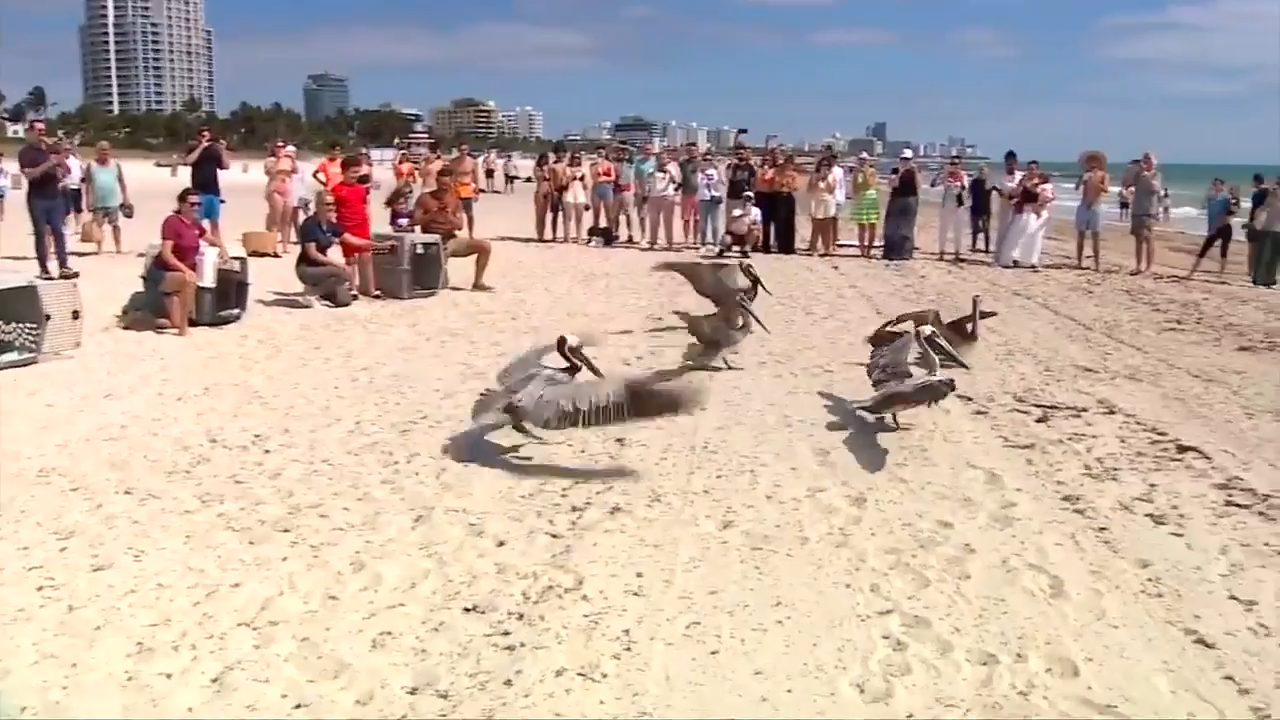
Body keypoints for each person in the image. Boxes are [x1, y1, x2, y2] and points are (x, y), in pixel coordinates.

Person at [149, 188, 228, 335]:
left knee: (173, 322)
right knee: (189, 280)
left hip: (179, 274)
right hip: (164, 272)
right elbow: (166, 254)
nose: (196, 208)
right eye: (192, 204)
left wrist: (221, 246)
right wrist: (185, 270)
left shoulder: (194, 223)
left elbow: (208, 238)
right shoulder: (172, 222)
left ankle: (150, 319)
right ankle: (183, 328)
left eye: (198, 204)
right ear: (181, 205)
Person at [412, 166, 495, 291]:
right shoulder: (425, 198)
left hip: (450, 240)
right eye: (441, 185)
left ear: (451, 182)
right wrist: (432, 215)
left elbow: (459, 226)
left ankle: (478, 282)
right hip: (431, 241)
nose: (444, 188)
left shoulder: (454, 200)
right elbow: (415, 221)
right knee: (438, 284)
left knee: (485, 246)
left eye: (447, 185)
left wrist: (449, 216)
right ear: (436, 181)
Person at [17, 120, 78, 280]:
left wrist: (61, 161)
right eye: (39, 131)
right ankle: (44, 269)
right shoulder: (26, 152)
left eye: (44, 131)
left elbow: (67, 171)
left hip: (55, 197)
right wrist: (49, 163)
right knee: (41, 233)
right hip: (37, 198)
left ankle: (64, 267)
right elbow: (30, 175)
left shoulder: (51, 150)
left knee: (59, 231)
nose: (42, 134)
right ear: (31, 132)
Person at [331, 155, 382, 298]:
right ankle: (352, 288)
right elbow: (332, 212)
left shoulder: (361, 189)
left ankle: (370, 288)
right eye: (353, 172)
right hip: (345, 228)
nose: (356, 175)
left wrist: (369, 224)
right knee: (350, 260)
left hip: (362, 226)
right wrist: (335, 232)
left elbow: (365, 208)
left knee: (366, 257)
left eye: (358, 172)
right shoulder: (336, 190)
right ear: (344, 172)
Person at [296, 190, 355, 307]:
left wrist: (378, 244)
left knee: (344, 300)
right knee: (343, 272)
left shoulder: (329, 224)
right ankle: (311, 294)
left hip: (322, 268)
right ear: (318, 206)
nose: (331, 207)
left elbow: (352, 240)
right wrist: (339, 264)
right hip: (307, 268)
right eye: (327, 204)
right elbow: (313, 254)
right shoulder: (310, 224)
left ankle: (319, 290)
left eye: (333, 204)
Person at [1003, 161, 1055, 269]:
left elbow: (1047, 195)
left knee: (1034, 237)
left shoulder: (1042, 182)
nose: (1031, 171)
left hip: (1037, 212)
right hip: (1024, 210)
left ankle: (1029, 260)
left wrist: (1030, 187)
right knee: (1018, 235)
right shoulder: (1023, 180)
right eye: (1029, 169)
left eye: (1033, 169)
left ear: (1037, 170)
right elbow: (1016, 193)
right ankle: (1014, 258)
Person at [83, 141, 130, 254]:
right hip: (98, 202)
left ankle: (118, 247)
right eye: (102, 150)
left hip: (113, 201)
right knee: (98, 226)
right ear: (97, 151)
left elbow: (122, 182)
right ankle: (99, 248)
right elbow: (88, 184)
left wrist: (125, 197)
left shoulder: (115, 164)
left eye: (106, 150)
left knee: (115, 225)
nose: (105, 152)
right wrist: (88, 200)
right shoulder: (91, 165)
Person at [1188, 179, 1240, 278]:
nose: (1215, 186)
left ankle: (1221, 274)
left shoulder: (1226, 197)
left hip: (1225, 227)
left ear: (1222, 186)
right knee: (1204, 250)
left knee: (1224, 251)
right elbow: (1203, 206)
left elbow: (1234, 210)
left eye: (1217, 184)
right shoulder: (1210, 197)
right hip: (1214, 229)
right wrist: (1207, 194)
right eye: (1214, 184)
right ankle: (1192, 272)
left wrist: (1233, 197)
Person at [185, 125, 229, 241]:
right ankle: (196, 243)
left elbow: (226, 166)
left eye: (207, 136)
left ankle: (217, 244)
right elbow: (188, 161)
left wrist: (223, 150)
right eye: (202, 136)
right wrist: (201, 147)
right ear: (198, 137)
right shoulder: (193, 149)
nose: (205, 138)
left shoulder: (215, 150)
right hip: (198, 191)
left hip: (213, 190)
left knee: (214, 222)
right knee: (197, 221)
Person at [1123, 152, 1162, 275]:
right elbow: (1126, 184)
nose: (1145, 161)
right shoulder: (1138, 174)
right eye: (1144, 158)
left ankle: (1149, 268)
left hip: (1149, 211)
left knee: (1148, 239)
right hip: (1137, 209)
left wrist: (1144, 173)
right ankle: (1138, 266)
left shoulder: (1155, 175)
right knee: (1138, 239)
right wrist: (1132, 170)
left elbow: (1154, 188)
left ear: (1154, 162)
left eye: (1148, 158)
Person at [1074, 153, 1110, 271]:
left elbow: (1106, 189)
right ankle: (1079, 262)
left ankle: (1097, 263)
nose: (1092, 164)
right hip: (1084, 206)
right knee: (1081, 235)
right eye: (1090, 162)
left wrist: (1095, 182)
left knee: (1096, 236)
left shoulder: (1103, 175)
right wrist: (1082, 179)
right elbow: (1076, 188)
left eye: (1095, 161)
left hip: (1096, 206)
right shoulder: (1085, 174)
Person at [882, 148, 919, 261]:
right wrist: (900, 172)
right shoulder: (895, 170)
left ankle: (905, 252)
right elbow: (893, 184)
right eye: (903, 159)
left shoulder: (914, 171)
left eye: (907, 159)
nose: (905, 161)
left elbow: (918, 185)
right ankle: (891, 252)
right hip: (896, 198)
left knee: (907, 226)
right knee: (892, 225)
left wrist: (916, 172)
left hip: (910, 199)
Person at [931, 155, 968, 261]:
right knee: (944, 229)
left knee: (958, 230)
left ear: (960, 165)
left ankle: (957, 253)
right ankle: (941, 252)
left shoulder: (963, 175)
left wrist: (957, 182)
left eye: (956, 164)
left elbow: (964, 187)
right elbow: (933, 184)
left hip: (958, 205)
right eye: (952, 164)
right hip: (946, 204)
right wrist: (941, 173)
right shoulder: (945, 175)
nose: (954, 166)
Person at [643, 148, 681, 250]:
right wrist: (646, 194)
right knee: (654, 221)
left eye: (664, 158)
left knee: (668, 221)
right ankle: (653, 241)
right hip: (654, 196)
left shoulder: (671, 169)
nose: (662, 160)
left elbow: (676, 182)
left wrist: (670, 173)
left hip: (667, 196)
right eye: (660, 158)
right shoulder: (652, 169)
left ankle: (669, 242)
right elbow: (648, 182)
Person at [262, 141, 294, 256]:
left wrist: (292, 159)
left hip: (287, 189)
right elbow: (269, 172)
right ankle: (273, 246)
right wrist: (278, 160)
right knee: (276, 219)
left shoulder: (288, 160)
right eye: (278, 147)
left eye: (283, 147)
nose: (280, 149)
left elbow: (295, 171)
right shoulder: (270, 160)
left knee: (286, 220)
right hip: (275, 189)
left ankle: (285, 246)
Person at [1248, 176, 1280, 288]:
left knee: (1274, 256)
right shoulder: (1271, 194)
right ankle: (1259, 279)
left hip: (1276, 229)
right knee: (1264, 255)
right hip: (1268, 227)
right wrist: (1256, 223)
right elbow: (1261, 208)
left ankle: (1270, 279)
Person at [992, 150, 1022, 260]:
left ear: (1016, 162)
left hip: (1017, 207)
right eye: (1008, 164)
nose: (1011, 166)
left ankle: (1014, 256)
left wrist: (1016, 198)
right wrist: (1005, 195)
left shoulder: (1021, 176)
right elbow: (997, 189)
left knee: (1016, 231)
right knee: (1003, 230)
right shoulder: (1000, 177)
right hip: (1004, 206)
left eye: (1012, 163)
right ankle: (999, 255)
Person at [807, 156, 838, 256]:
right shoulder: (814, 175)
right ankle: (814, 247)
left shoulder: (832, 176)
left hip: (827, 201)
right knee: (816, 225)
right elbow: (810, 189)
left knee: (827, 226)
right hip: (817, 200)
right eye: (823, 165)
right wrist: (818, 179)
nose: (825, 167)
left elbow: (831, 190)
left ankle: (827, 248)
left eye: (827, 165)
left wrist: (827, 178)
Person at [695, 153, 725, 256]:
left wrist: (718, 169)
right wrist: (701, 171)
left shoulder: (716, 172)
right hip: (702, 198)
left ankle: (716, 244)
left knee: (715, 224)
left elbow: (722, 182)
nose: (707, 162)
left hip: (714, 198)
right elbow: (696, 183)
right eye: (705, 160)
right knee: (703, 223)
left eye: (710, 160)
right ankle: (703, 244)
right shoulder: (699, 172)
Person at [850, 151, 879, 257]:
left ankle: (869, 249)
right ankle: (862, 249)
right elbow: (854, 186)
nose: (862, 161)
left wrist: (865, 172)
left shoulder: (872, 171)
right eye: (860, 159)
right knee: (861, 225)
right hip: (860, 198)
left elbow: (869, 183)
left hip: (870, 197)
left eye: (864, 160)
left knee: (872, 224)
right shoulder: (856, 172)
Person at [450, 144, 479, 239]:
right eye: (461, 150)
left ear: (468, 150)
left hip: (468, 189)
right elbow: (450, 176)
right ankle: (452, 232)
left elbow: (476, 177)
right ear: (458, 150)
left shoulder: (472, 162)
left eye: (465, 149)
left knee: (469, 213)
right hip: (456, 188)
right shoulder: (453, 162)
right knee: (454, 212)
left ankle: (471, 233)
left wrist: (477, 191)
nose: (463, 151)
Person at [1246, 173, 1271, 281]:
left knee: (1253, 249)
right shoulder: (1268, 192)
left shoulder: (1257, 194)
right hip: (1265, 222)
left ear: (1255, 182)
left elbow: (1255, 209)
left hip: (1256, 222)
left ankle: (1252, 271)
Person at [754, 150, 779, 253]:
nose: (766, 162)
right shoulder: (758, 170)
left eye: (768, 160)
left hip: (770, 196)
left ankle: (767, 244)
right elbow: (755, 181)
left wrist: (767, 171)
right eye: (764, 160)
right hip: (759, 195)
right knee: (756, 220)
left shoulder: (774, 170)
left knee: (767, 222)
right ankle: (755, 242)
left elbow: (767, 180)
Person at [722, 190, 761, 258]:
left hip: (746, 234)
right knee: (726, 240)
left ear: (753, 200)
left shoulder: (756, 210)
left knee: (754, 232)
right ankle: (723, 248)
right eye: (745, 198)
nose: (747, 201)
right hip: (734, 234)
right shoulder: (736, 209)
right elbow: (731, 221)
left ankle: (745, 250)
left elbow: (758, 225)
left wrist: (750, 226)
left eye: (749, 199)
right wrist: (743, 214)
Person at [723, 145, 757, 219]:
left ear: (745, 154)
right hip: (731, 197)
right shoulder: (731, 166)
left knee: (744, 219)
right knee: (731, 219)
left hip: (744, 198)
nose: (739, 156)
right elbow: (728, 177)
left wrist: (752, 195)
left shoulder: (750, 167)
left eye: (741, 154)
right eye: (737, 154)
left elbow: (753, 182)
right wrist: (732, 165)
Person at [612, 146, 637, 242]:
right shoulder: (614, 163)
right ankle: (615, 233)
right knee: (615, 214)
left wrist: (623, 147)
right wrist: (616, 149)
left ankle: (631, 233)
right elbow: (609, 151)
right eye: (618, 153)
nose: (620, 154)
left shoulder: (629, 163)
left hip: (626, 189)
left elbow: (633, 151)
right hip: (616, 190)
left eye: (622, 153)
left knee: (629, 213)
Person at [563, 153, 589, 243]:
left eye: (577, 158)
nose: (576, 160)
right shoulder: (567, 168)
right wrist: (573, 174)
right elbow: (565, 181)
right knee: (568, 217)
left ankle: (579, 236)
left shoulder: (583, 170)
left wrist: (587, 198)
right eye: (574, 158)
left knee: (579, 217)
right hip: (569, 192)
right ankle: (567, 236)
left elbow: (586, 185)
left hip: (580, 193)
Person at [678, 143, 701, 244]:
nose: (692, 152)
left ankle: (696, 239)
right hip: (686, 193)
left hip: (700, 194)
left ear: (698, 151)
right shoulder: (683, 163)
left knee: (698, 219)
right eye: (690, 150)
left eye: (694, 150)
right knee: (686, 218)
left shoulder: (702, 163)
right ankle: (686, 239)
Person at [968, 165, 993, 253]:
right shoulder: (974, 182)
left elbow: (999, 191)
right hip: (975, 208)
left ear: (987, 171)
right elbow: (969, 193)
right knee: (975, 230)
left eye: (984, 170)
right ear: (978, 171)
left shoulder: (989, 183)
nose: (982, 171)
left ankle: (987, 249)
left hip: (985, 209)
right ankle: (973, 247)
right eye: (980, 170)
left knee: (986, 230)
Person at [61, 145, 85, 237]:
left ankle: (78, 227)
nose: (67, 151)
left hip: (77, 186)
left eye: (68, 149)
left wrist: (83, 179)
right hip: (66, 186)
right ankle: (67, 227)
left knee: (78, 208)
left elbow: (82, 169)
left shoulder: (76, 160)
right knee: (66, 208)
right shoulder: (61, 160)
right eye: (65, 149)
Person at [633, 143, 656, 239]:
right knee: (642, 215)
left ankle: (654, 236)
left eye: (649, 149)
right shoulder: (638, 163)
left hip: (655, 192)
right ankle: (643, 236)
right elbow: (636, 178)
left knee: (654, 216)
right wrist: (638, 190)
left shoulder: (656, 162)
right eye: (646, 149)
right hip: (642, 192)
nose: (647, 151)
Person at [548, 151, 571, 242]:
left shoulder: (566, 165)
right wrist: (553, 191)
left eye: (561, 154)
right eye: (558, 154)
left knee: (566, 214)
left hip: (565, 190)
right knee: (555, 214)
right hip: (556, 190)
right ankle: (554, 235)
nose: (560, 155)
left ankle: (566, 235)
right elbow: (550, 179)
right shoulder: (552, 166)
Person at [532, 153, 553, 242]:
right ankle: (540, 234)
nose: (544, 161)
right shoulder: (537, 168)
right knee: (539, 215)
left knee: (545, 214)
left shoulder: (549, 168)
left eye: (546, 159)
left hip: (548, 191)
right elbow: (538, 177)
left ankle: (543, 234)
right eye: (543, 159)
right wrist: (544, 171)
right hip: (540, 191)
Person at [0, 153, 8, 225]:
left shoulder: (3, 167)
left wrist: (5, 174)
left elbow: (5, 176)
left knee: (1, 201)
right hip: (2, 185)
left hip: (2, 186)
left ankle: (1, 215)